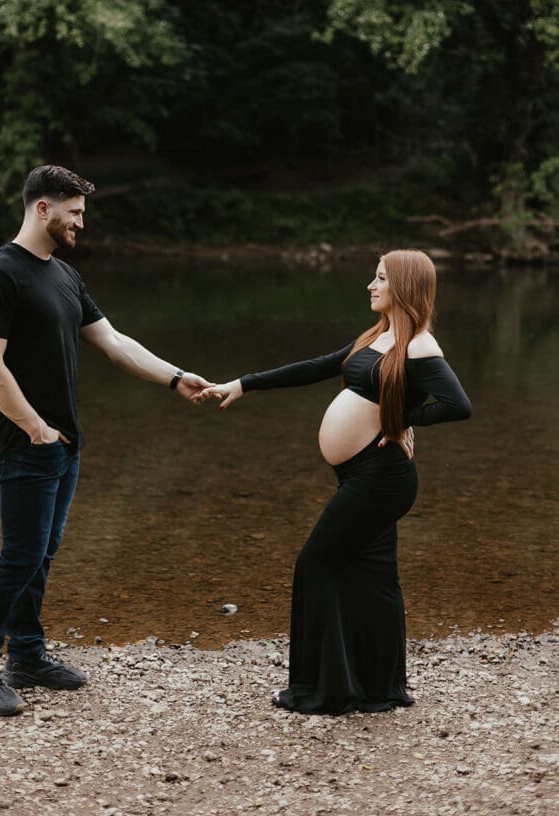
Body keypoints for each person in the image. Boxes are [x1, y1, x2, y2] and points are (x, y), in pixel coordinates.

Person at [0, 164, 212, 716]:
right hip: (27, 442)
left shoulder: (64, 276)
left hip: (62, 442)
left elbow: (114, 342)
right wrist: (35, 429)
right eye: (74, 213)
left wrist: (174, 376)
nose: (81, 224)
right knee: (19, 556)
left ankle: (25, 655)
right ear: (42, 209)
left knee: (41, 554)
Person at [199, 249, 471, 715]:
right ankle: (379, 688)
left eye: (381, 278)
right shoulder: (378, 337)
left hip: (381, 479)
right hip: (362, 474)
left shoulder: (420, 346)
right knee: (373, 575)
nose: (371, 285)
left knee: (316, 563)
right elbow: (318, 366)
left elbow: (457, 405)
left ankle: (323, 689)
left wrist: (402, 419)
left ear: (403, 287)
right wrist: (245, 384)